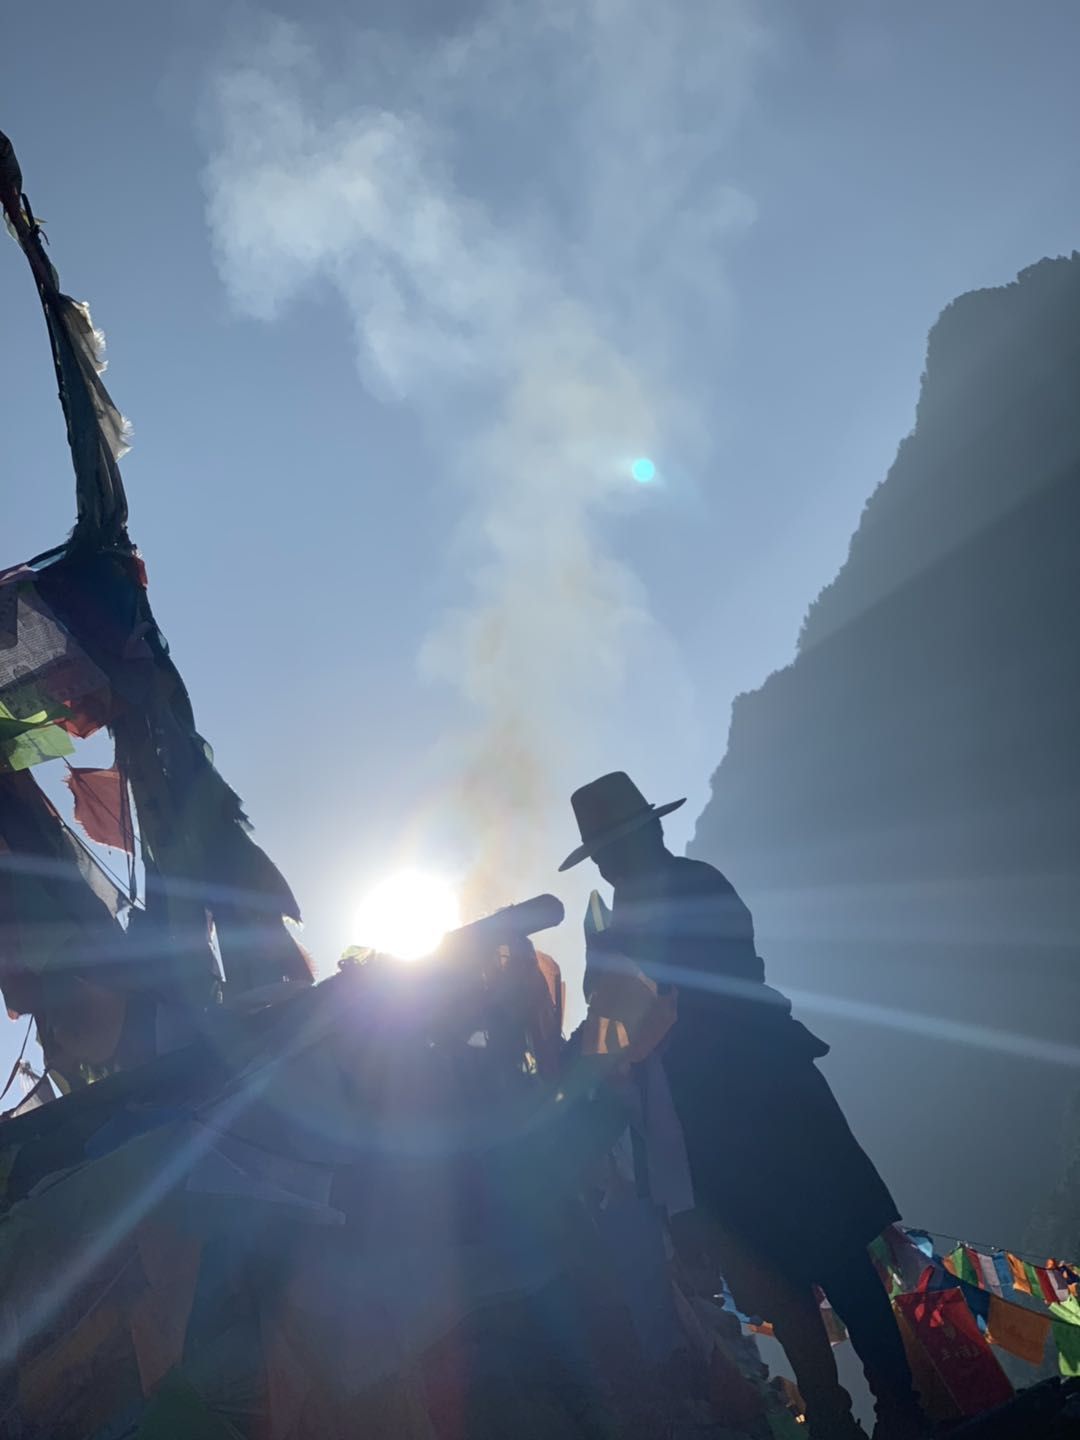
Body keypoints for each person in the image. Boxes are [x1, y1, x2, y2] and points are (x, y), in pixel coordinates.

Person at [559, 771, 933, 1440]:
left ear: (642, 837)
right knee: (794, 1268)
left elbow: (641, 1014)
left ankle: (881, 1412)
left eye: (611, 851)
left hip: (751, 1102)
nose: (609, 867)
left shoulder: (666, 903)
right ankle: (850, 1415)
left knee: (824, 1260)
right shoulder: (667, 900)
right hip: (735, 1106)